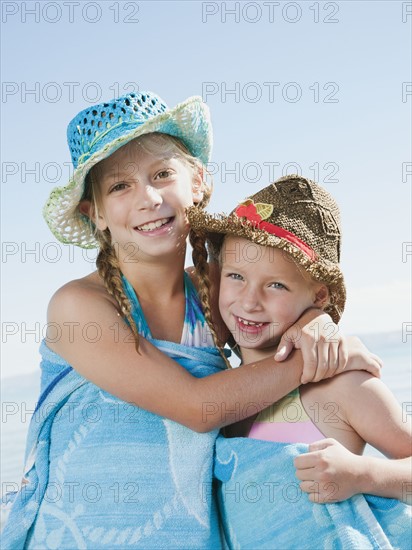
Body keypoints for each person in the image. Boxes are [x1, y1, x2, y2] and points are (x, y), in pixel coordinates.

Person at [1, 93, 381, 550]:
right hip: (81, 535)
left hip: (184, 536)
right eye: (119, 186)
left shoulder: (217, 293)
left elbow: (279, 300)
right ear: (95, 212)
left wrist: (318, 321)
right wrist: (310, 354)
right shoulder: (79, 306)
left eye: (162, 174)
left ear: (197, 181)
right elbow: (199, 409)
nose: (148, 197)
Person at [188, 174, 412, 549]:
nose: (249, 301)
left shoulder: (341, 385)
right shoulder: (219, 389)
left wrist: (365, 473)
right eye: (236, 276)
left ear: (319, 296)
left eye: (276, 284)